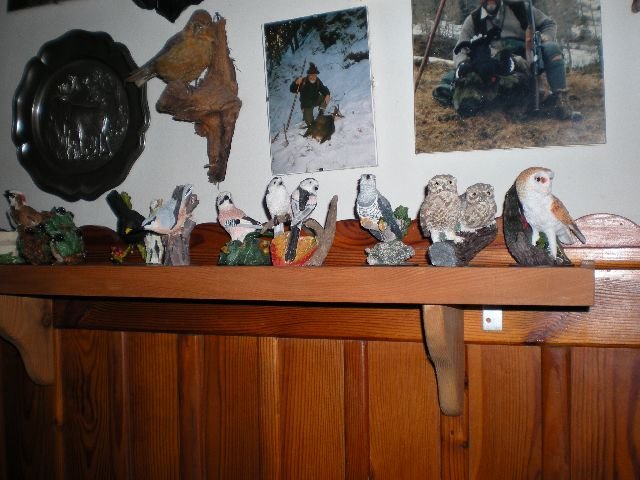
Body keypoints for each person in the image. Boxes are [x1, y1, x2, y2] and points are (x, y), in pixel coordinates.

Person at [434, 0, 577, 119]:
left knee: (552, 48)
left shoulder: (521, 8)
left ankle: (561, 99)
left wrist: (545, 37)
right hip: (496, 65)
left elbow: (549, 24)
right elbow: (460, 48)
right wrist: (462, 64)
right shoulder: (473, 20)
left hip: (526, 57)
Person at [290, 62, 331, 127]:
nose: (313, 77)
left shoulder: (317, 81)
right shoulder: (302, 82)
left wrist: (327, 94)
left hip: (315, 99)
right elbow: (292, 89)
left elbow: (323, 88)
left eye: (315, 75)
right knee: (311, 124)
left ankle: (321, 112)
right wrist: (296, 83)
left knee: (325, 97)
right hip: (307, 104)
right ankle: (305, 115)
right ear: (308, 75)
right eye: (311, 75)